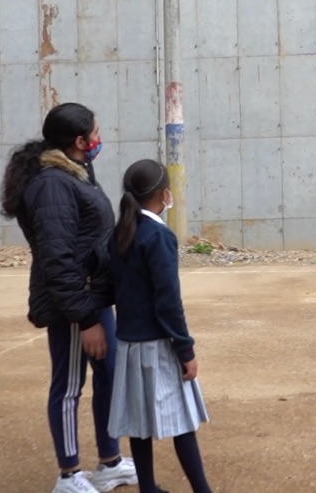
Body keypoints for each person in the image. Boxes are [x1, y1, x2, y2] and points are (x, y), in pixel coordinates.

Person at [1, 102, 138, 493]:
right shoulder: (52, 185)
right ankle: (69, 474)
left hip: (93, 296)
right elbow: (57, 258)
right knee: (69, 385)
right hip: (73, 303)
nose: (99, 139)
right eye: (95, 132)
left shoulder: (75, 174)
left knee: (109, 377)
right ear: (79, 141)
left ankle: (109, 462)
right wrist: (86, 318)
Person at [108, 159, 213, 493]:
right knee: (182, 422)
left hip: (128, 342)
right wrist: (185, 348)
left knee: (139, 424)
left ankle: (148, 488)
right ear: (165, 194)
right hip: (157, 344)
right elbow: (168, 301)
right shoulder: (159, 236)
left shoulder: (120, 233)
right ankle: (202, 490)